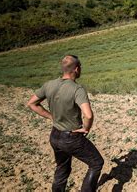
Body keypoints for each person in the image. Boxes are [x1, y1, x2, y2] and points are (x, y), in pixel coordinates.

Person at [27, 55, 104, 192]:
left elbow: (32, 103)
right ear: (76, 69)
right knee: (96, 163)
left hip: (55, 136)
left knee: (62, 168)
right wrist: (86, 128)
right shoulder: (77, 89)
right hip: (71, 138)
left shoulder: (49, 85)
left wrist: (52, 117)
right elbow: (88, 115)